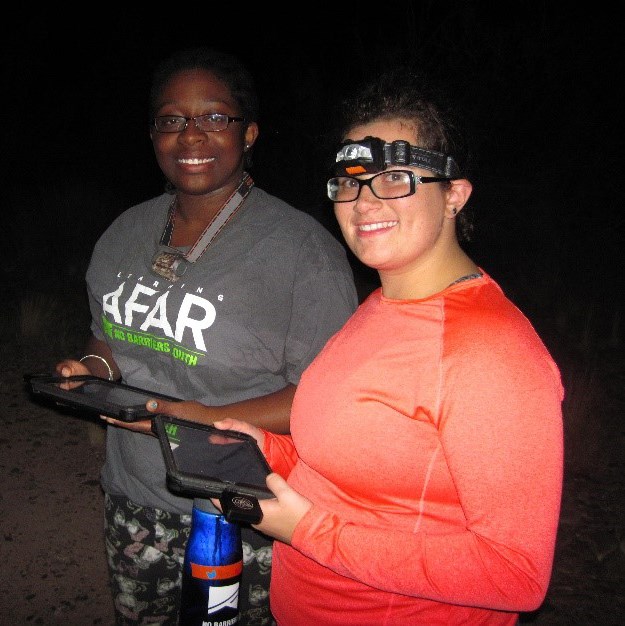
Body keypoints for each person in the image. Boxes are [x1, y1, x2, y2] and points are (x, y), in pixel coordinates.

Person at [153, 66, 565, 625]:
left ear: (455, 195)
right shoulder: (377, 307)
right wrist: (261, 448)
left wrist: (306, 530)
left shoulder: (491, 353)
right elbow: (343, 466)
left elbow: (515, 572)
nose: (364, 199)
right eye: (349, 180)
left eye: (395, 176)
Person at [55, 46, 358, 626]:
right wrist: (92, 370)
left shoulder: (302, 252)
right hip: (136, 496)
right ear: (152, 135)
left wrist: (202, 416)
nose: (191, 135)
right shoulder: (124, 232)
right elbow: (108, 339)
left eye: (215, 117)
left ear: (249, 134)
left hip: (247, 512)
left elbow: (326, 402)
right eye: (172, 120)